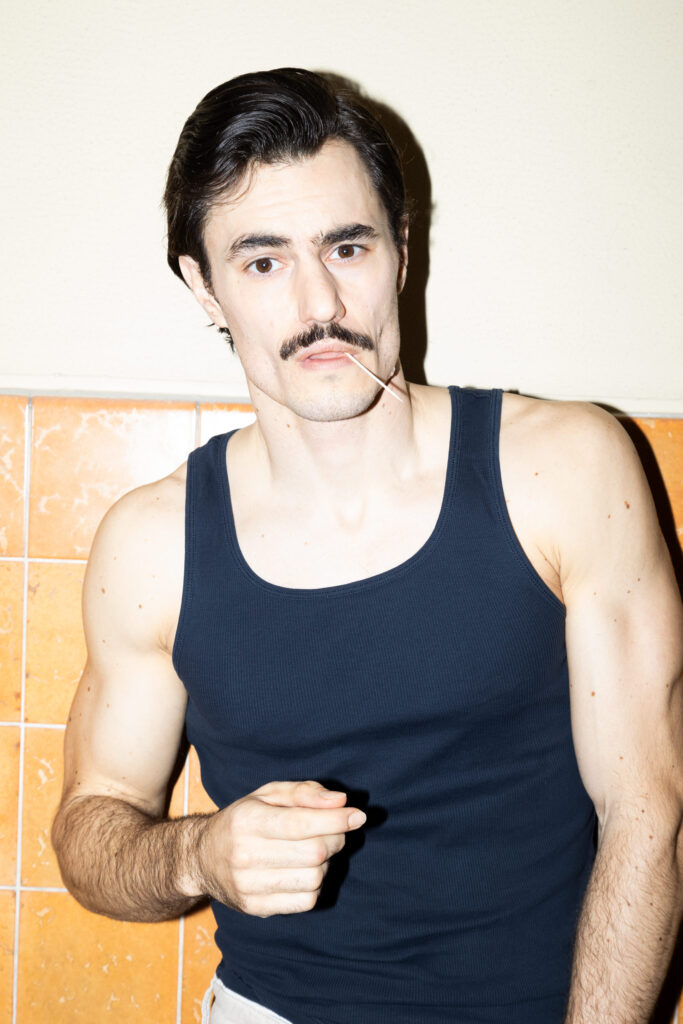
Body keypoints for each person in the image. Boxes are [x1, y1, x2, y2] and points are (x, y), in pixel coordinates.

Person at [52, 68, 683, 1024]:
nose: (319, 303)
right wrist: (196, 854)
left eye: (346, 247)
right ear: (204, 287)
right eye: (263, 262)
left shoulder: (566, 468)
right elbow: (90, 831)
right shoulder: (153, 544)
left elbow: (649, 813)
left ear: (401, 251)